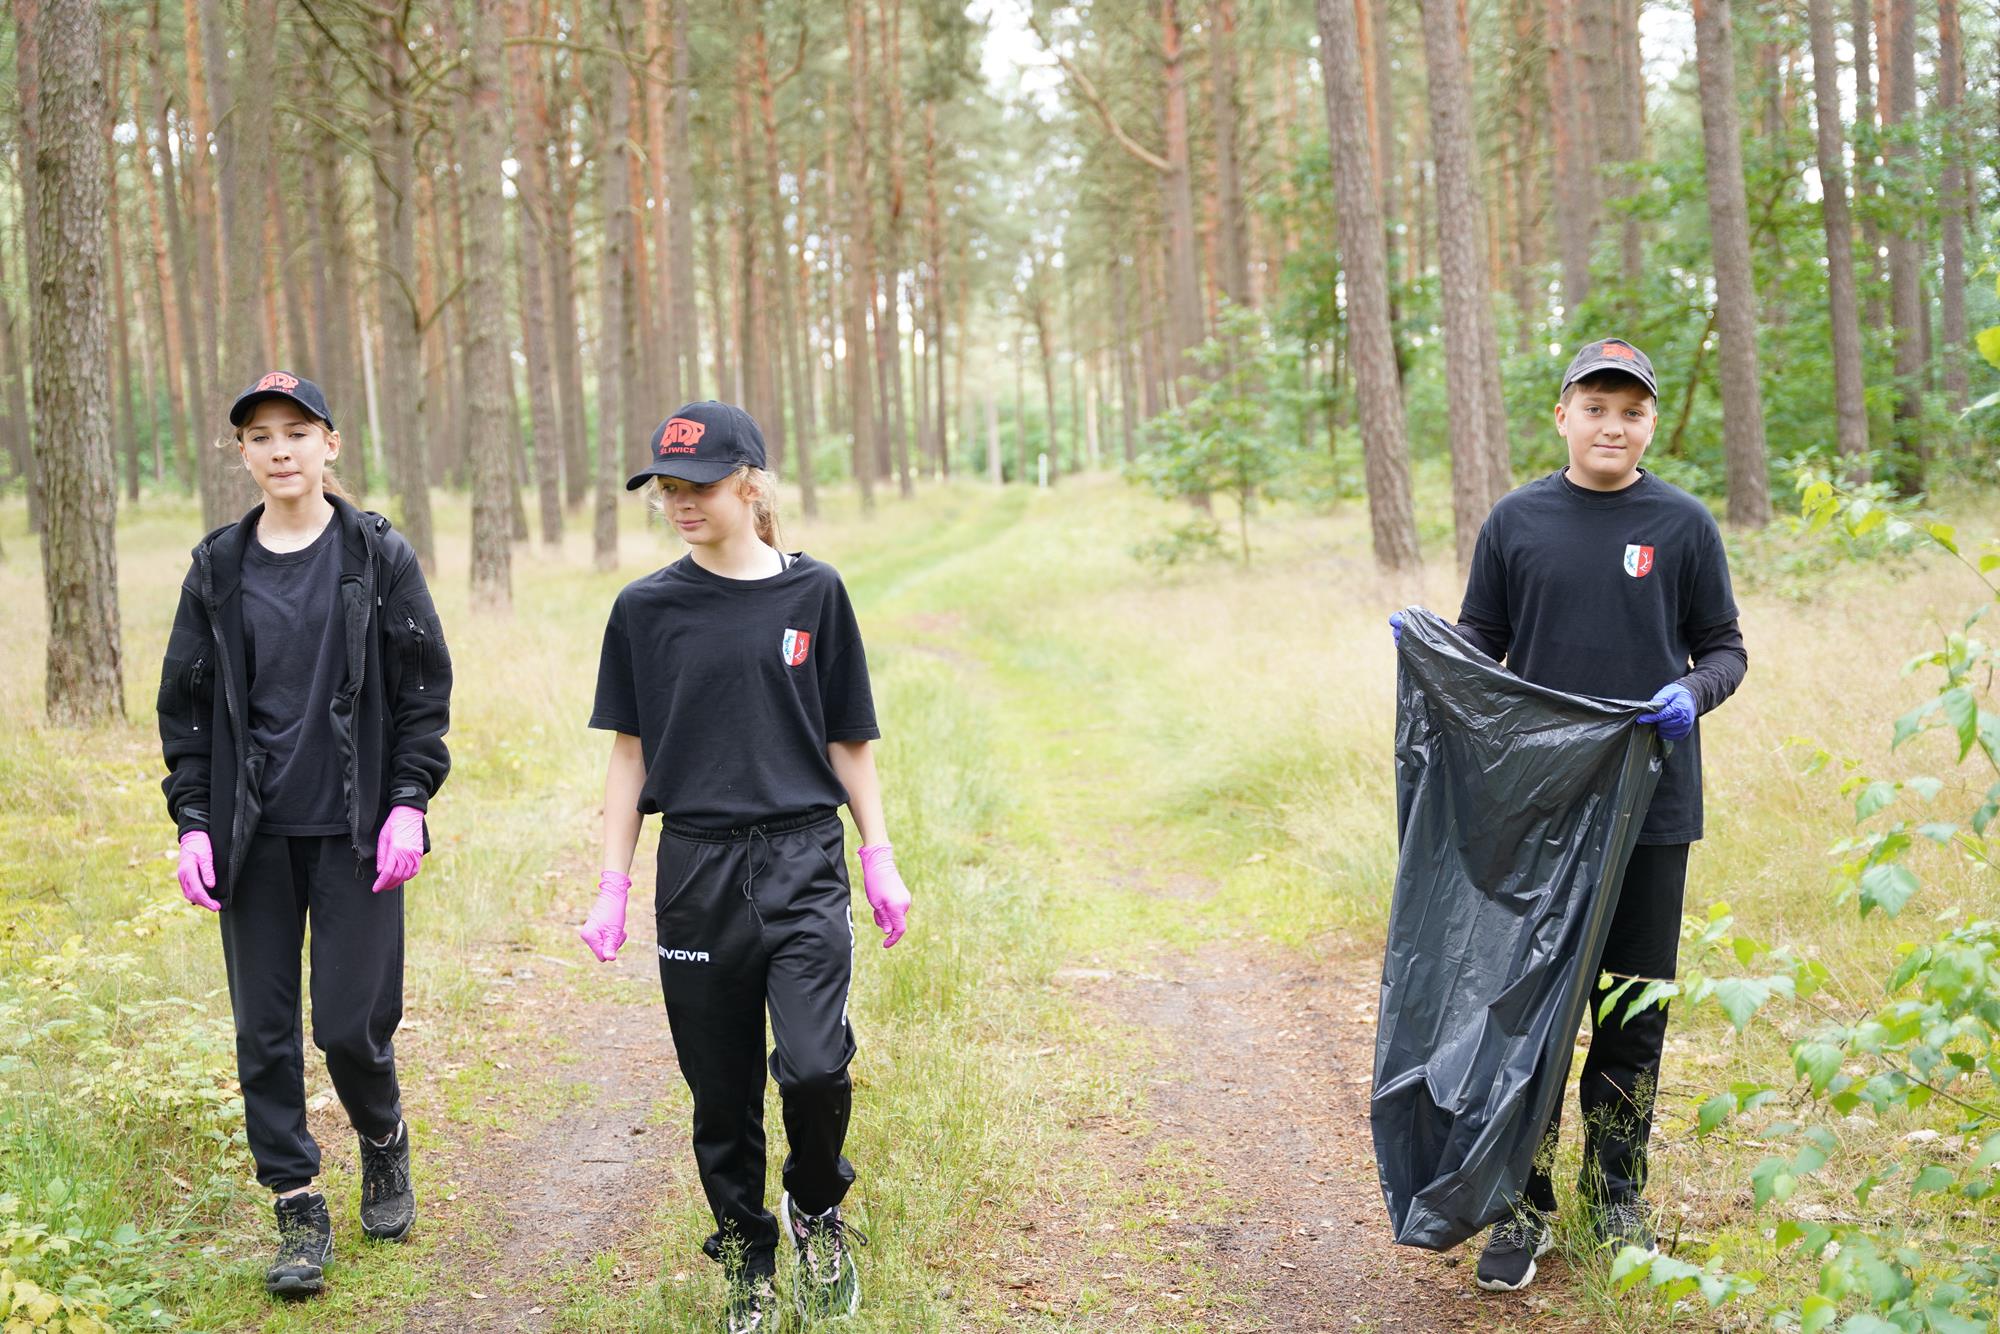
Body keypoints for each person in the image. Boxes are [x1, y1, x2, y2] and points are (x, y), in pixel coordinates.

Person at [1390, 338, 1747, 1292]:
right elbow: (1482, 645)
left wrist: (1692, 694)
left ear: (1650, 425)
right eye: (1596, 406)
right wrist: (1433, 652)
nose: (1612, 425)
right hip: (1539, 817)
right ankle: (1521, 1205)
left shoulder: (1682, 525)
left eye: (1630, 410)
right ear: (1563, 417)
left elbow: (1726, 648)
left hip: (1652, 812)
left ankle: (1618, 1195)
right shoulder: (1518, 521)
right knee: (1531, 1017)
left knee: (1631, 1017)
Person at [579, 401, 912, 1333]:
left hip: (804, 858)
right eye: (667, 490)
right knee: (720, 1095)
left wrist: (877, 854)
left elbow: (849, 738)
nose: (681, 503)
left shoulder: (816, 595)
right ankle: (745, 1260)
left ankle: (816, 1206)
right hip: (696, 873)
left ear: (751, 483)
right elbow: (630, 753)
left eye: (699, 486)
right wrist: (613, 880)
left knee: (812, 1069)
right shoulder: (645, 609)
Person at [157, 371, 451, 1298]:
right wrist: (194, 823)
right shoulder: (217, 568)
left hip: (359, 833)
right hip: (254, 839)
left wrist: (409, 800)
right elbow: (190, 709)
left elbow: (421, 694)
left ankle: (382, 1138)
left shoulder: (377, 554)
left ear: (331, 444)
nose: (279, 450)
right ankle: (296, 1205)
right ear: (241, 454)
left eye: (296, 432)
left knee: (350, 1028)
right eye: (260, 436)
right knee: (265, 1036)